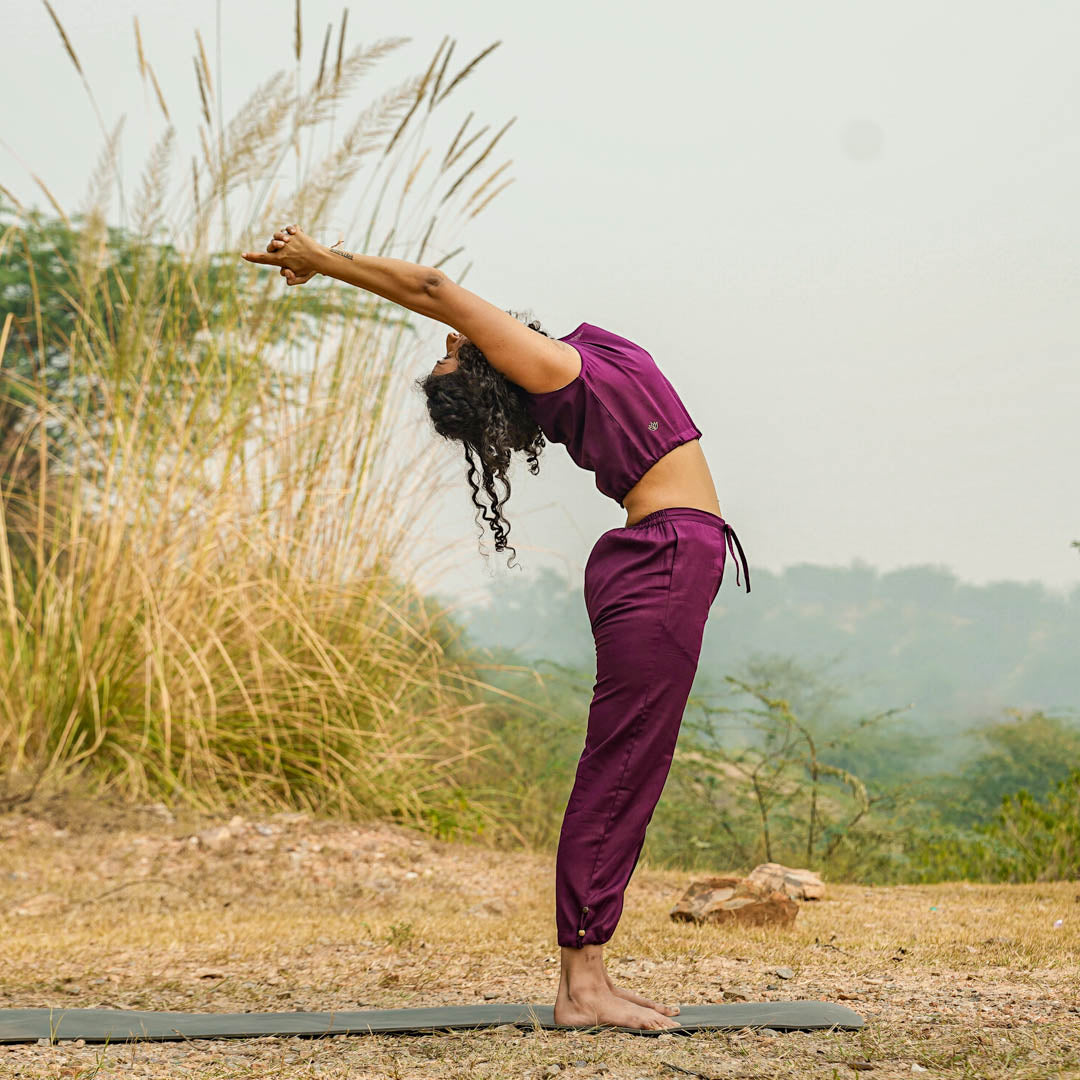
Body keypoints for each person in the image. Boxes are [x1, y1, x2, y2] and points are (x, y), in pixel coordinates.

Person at [242, 226, 751, 1032]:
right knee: (621, 767)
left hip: (670, 555)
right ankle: (583, 984)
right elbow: (435, 289)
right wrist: (323, 262)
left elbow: (451, 306)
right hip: (660, 560)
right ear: (494, 372)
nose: (453, 339)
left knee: (630, 762)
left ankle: (587, 975)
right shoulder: (554, 368)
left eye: (452, 350)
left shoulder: (574, 352)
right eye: (455, 353)